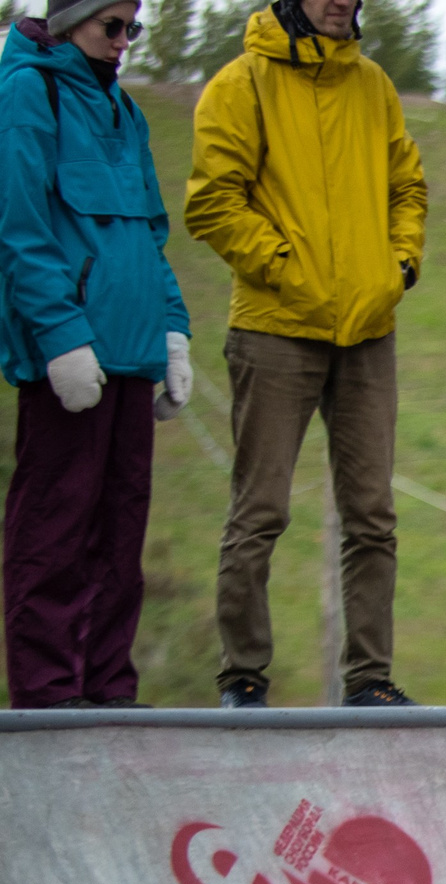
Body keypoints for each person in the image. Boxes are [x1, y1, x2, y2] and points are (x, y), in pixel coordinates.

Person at [186, 0, 426, 708]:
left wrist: (399, 266)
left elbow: (407, 186)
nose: (337, 2)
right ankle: (243, 675)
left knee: (373, 514)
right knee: (259, 510)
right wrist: (290, 269)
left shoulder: (374, 86)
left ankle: (371, 679)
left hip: (368, 330)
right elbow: (213, 202)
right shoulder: (239, 82)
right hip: (273, 327)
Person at [0, 0, 190, 709]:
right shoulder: (28, 91)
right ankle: (48, 699)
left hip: (133, 358)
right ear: (70, 17)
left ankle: (110, 694)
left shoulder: (125, 112)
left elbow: (150, 236)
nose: (122, 43)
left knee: (119, 542)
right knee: (54, 532)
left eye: (131, 28)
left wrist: (173, 332)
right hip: (70, 364)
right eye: (112, 26)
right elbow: (18, 228)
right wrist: (59, 337)